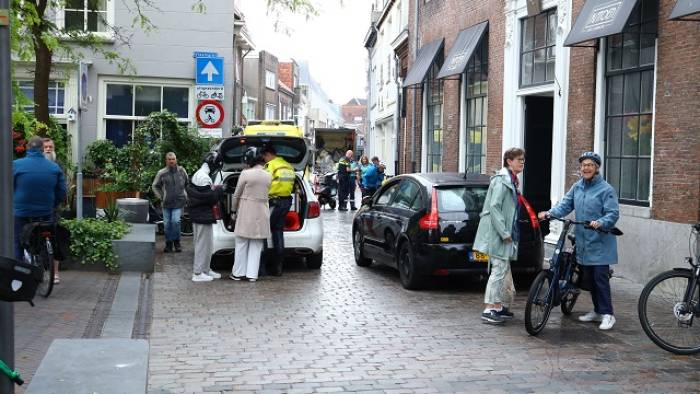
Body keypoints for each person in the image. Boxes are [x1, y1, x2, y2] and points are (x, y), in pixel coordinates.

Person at [538, 151, 620, 331]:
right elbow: (565, 205)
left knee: (600, 278)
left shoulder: (606, 189)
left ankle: (608, 314)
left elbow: (613, 213)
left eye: (590, 165)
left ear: (597, 168)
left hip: (600, 242)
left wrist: (601, 222)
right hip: (582, 241)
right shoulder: (577, 187)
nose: (586, 168)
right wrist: (549, 214)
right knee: (588, 279)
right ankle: (598, 311)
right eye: (583, 165)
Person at [473, 148, 525, 325]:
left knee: (502, 269)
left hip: (504, 234)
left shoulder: (511, 181)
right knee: (498, 270)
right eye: (519, 159)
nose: (522, 162)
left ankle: (499, 306)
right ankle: (489, 309)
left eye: (523, 159)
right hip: (498, 234)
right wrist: (504, 233)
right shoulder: (503, 181)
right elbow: (495, 207)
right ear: (509, 161)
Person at [13, 136, 67, 262]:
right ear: (42, 149)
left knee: (17, 242)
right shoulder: (54, 167)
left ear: (27, 148)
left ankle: (19, 270)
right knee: (45, 236)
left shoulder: (16, 165)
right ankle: (43, 262)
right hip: (45, 212)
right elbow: (62, 191)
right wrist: (52, 204)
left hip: (21, 212)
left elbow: (8, 187)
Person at [230, 147, 272, 282]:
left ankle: (238, 273)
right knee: (256, 243)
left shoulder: (245, 174)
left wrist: (233, 211)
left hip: (247, 209)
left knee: (241, 241)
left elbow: (237, 194)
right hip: (262, 211)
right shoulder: (268, 175)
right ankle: (252, 275)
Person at [186, 153, 224, 282]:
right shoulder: (204, 177)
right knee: (202, 244)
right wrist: (219, 191)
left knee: (207, 244)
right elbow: (209, 198)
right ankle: (197, 273)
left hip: (200, 215)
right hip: (202, 215)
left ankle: (205, 269)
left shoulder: (199, 174)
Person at [261, 144, 295, 276]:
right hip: (286, 202)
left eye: (264, 157)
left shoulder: (271, 166)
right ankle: (278, 267)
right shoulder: (287, 165)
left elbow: (264, 182)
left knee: (263, 231)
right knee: (277, 231)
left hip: (273, 202)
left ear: (268, 154)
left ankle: (262, 266)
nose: (264, 160)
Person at [152, 152, 188, 253]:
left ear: (176, 160)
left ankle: (177, 242)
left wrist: (185, 195)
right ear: (166, 160)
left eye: (173, 159)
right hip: (166, 203)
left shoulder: (182, 171)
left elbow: (187, 183)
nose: (171, 161)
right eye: (169, 159)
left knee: (176, 221)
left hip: (179, 202)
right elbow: (154, 186)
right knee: (167, 224)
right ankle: (168, 243)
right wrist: (161, 196)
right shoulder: (161, 173)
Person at [41, 137, 62, 284]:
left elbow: (62, 188)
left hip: (53, 208)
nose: (48, 149)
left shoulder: (58, 166)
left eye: (50, 147)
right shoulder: (37, 166)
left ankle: (56, 273)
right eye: (45, 147)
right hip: (38, 209)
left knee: (55, 240)